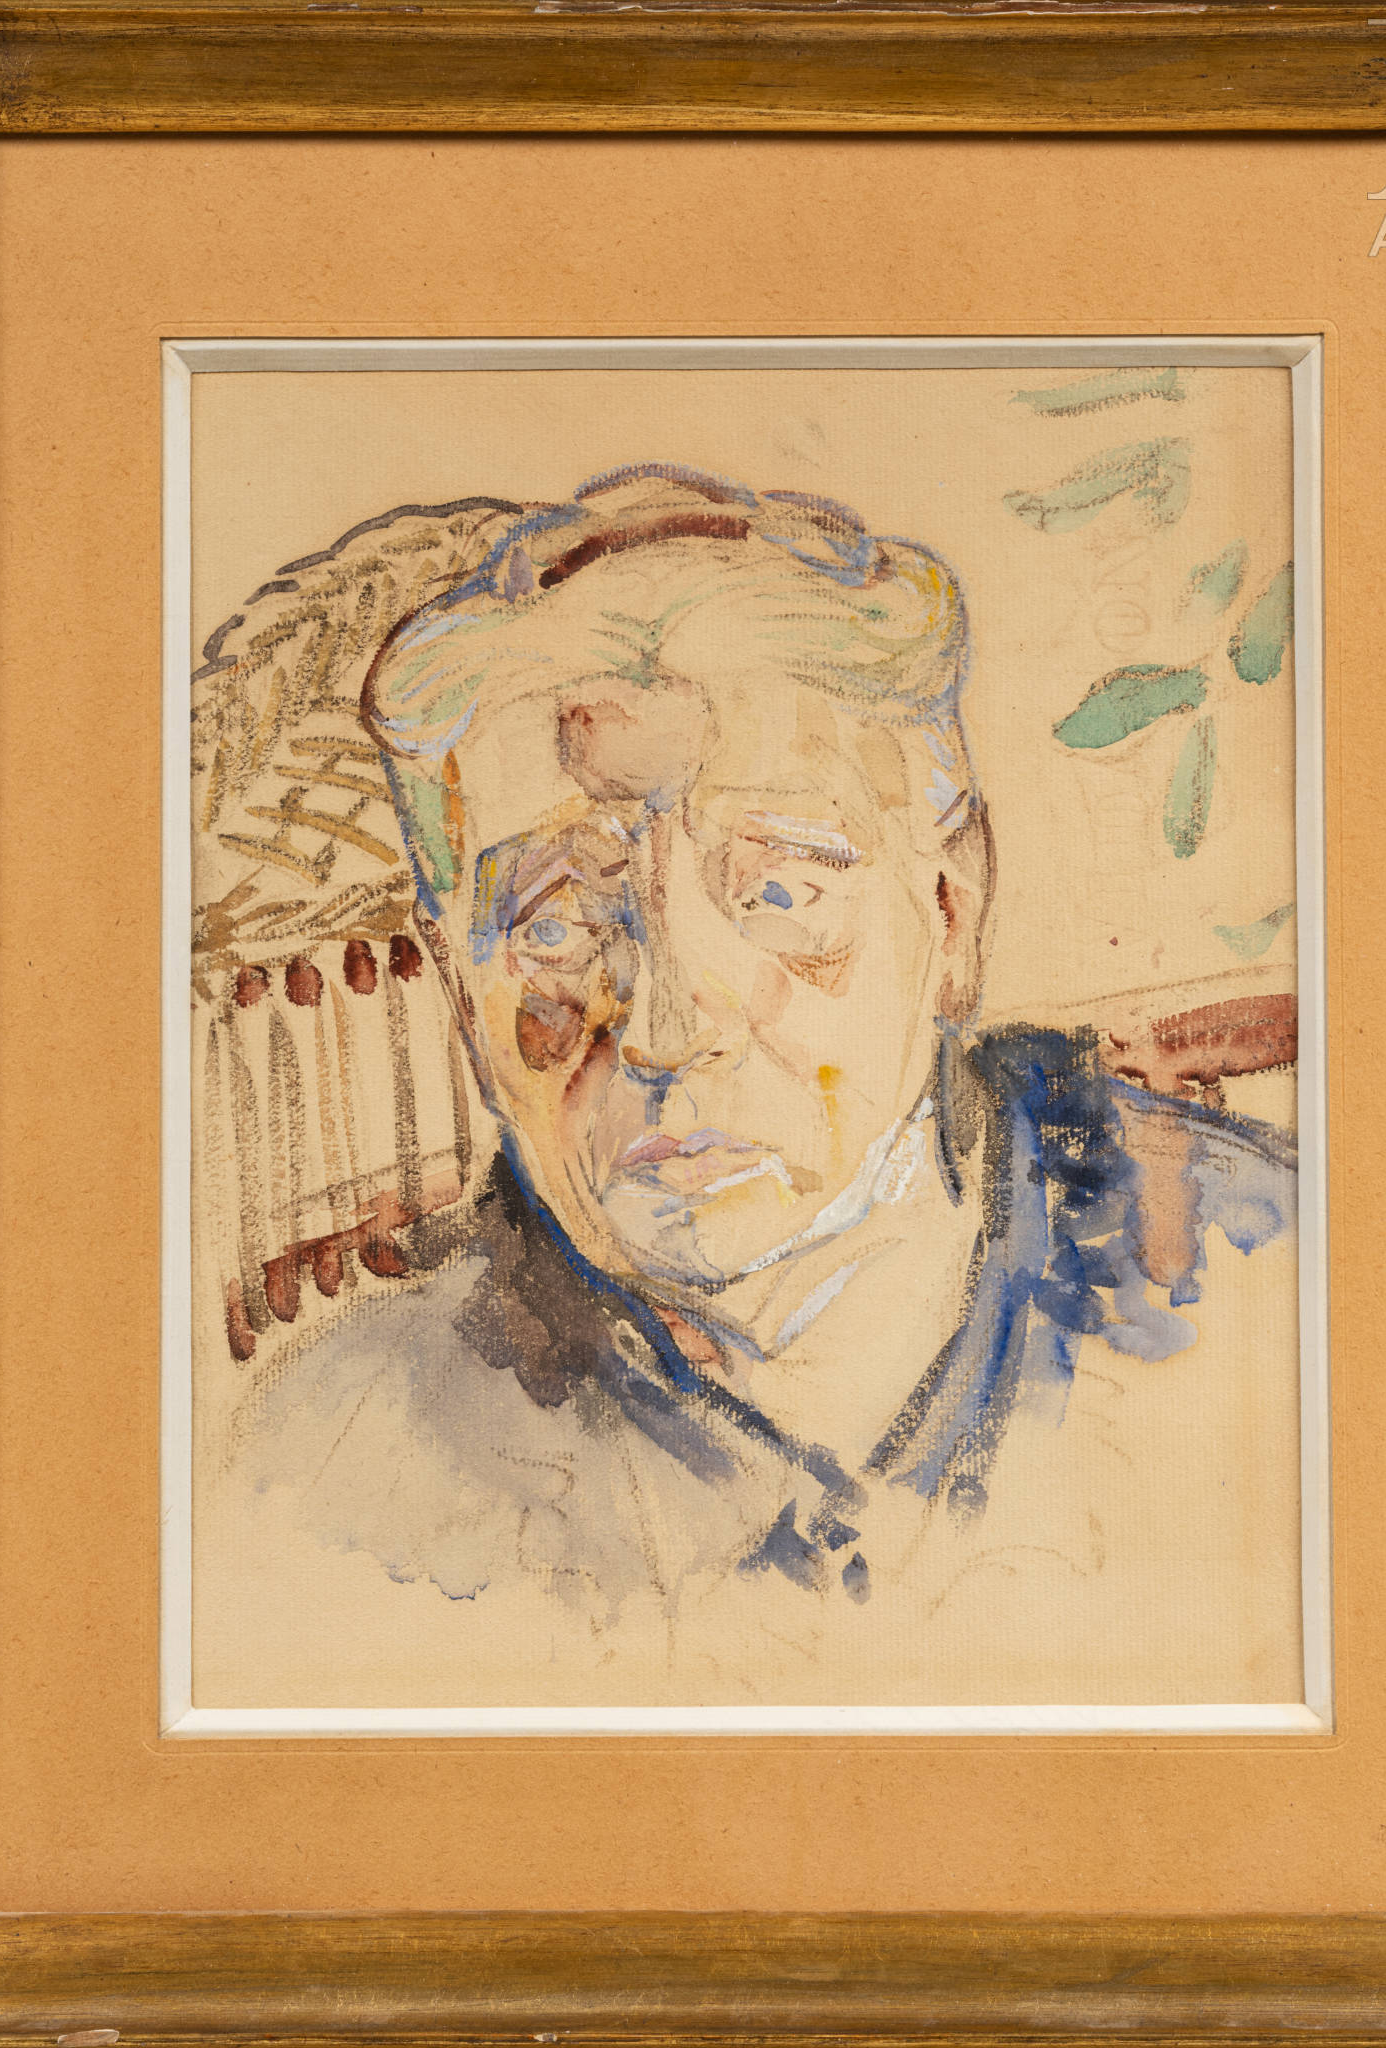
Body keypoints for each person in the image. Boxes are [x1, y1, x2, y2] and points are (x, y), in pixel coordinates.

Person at [226, 463, 1297, 1680]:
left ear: (951, 911)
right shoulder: (338, 1463)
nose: (669, 1029)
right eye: (557, 923)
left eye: (782, 892)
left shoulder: (1270, 1282)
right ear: (462, 991)